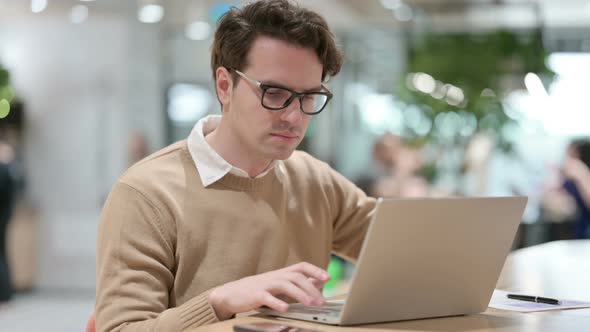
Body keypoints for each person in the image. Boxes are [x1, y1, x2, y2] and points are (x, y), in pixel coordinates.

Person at [95, 1, 376, 331]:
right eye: (274, 93)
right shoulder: (147, 193)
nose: (295, 116)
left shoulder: (315, 180)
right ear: (225, 85)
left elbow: (403, 248)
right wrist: (219, 301)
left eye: (309, 96)